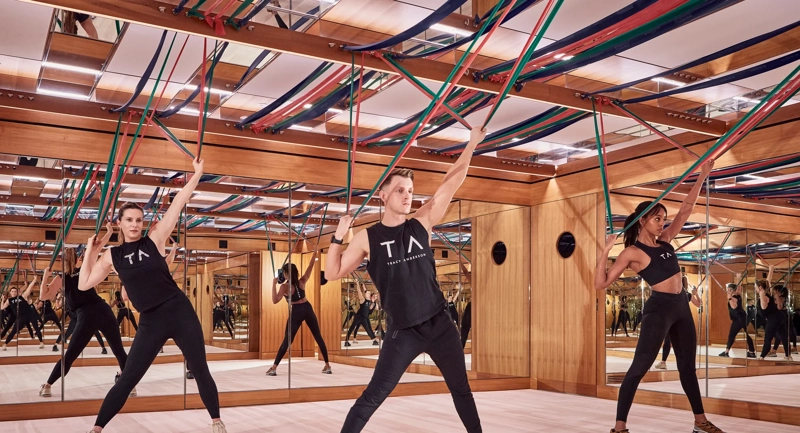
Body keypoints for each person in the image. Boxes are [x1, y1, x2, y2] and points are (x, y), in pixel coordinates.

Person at [325, 127, 487, 433]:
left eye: (410, 191)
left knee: (462, 391)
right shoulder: (367, 238)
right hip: (403, 331)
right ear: (383, 195)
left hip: (440, 325)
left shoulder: (421, 223)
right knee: (373, 396)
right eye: (400, 190)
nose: (407, 196)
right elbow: (332, 273)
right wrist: (337, 236)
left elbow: (450, 182)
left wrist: (471, 145)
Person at [79, 158, 225, 433]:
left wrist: (197, 174)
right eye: (129, 220)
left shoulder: (155, 240)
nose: (134, 225)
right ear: (119, 223)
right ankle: (96, 429)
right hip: (150, 320)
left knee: (200, 368)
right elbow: (85, 284)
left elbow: (179, 203)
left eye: (138, 220)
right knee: (128, 377)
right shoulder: (113, 255)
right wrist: (91, 249)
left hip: (179, 312)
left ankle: (217, 422)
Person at [596, 160, 725, 433]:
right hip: (659, 310)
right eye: (657, 218)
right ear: (642, 220)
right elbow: (602, 283)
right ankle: (619, 427)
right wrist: (605, 251)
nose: (661, 223)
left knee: (687, 368)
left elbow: (686, 210)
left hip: (681, 306)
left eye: (663, 218)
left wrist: (702, 175)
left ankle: (700, 422)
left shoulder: (666, 240)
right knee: (639, 368)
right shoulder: (632, 252)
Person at [38, 240, 131, 399]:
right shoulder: (84, 270)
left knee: (71, 354)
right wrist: (105, 236)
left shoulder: (62, 277)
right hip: (103, 310)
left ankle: (47, 386)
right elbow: (95, 254)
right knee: (119, 351)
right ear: (77, 258)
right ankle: (130, 386)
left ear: (62, 261)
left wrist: (45, 277)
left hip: (87, 315)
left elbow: (44, 296)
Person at [266, 251, 332, 376]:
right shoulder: (302, 281)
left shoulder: (284, 287)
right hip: (307, 308)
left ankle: (274, 368)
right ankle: (327, 365)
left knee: (287, 340)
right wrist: (315, 253)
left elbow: (275, 300)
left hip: (296, 311)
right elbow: (310, 266)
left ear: (286, 274)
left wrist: (274, 284)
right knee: (318, 336)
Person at [654, 285, 702, 370]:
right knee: (681, 342)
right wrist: (696, 294)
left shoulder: (672, 292)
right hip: (682, 319)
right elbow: (699, 304)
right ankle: (683, 363)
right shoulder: (688, 295)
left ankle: (663, 362)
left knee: (668, 340)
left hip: (671, 318)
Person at [1, 277, 44, 350]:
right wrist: (2, 299)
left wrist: (34, 280)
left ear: (17, 292)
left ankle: (41, 342)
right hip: (21, 317)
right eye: (12, 291)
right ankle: (5, 344)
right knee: (14, 330)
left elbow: (29, 288)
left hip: (30, 314)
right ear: (10, 293)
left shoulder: (22, 296)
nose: (14, 292)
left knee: (36, 328)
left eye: (15, 291)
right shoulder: (9, 300)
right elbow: (2, 308)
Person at [718, 283, 756, 359]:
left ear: (733, 291)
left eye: (729, 290)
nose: (727, 291)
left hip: (738, 319)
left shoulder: (734, 298)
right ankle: (751, 352)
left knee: (732, 335)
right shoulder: (738, 295)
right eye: (727, 289)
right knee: (747, 334)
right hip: (743, 317)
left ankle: (726, 352)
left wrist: (729, 298)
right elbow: (739, 288)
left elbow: (734, 306)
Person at [344, 281, 379, 347]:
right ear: (365, 295)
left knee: (368, 329)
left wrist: (363, 285)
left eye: (369, 293)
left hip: (364, 318)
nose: (369, 294)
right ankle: (346, 340)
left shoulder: (369, 301)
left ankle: (373, 340)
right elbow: (359, 292)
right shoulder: (363, 299)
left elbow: (366, 290)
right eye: (367, 294)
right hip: (358, 317)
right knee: (352, 328)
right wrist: (357, 284)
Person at [459, 262, 473, 349]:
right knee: (465, 329)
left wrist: (459, 259)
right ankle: (460, 348)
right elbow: (465, 272)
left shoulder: (474, 280)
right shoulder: (474, 280)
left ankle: (460, 348)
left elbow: (465, 272)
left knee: (465, 329)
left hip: (473, 306)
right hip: (475, 306)